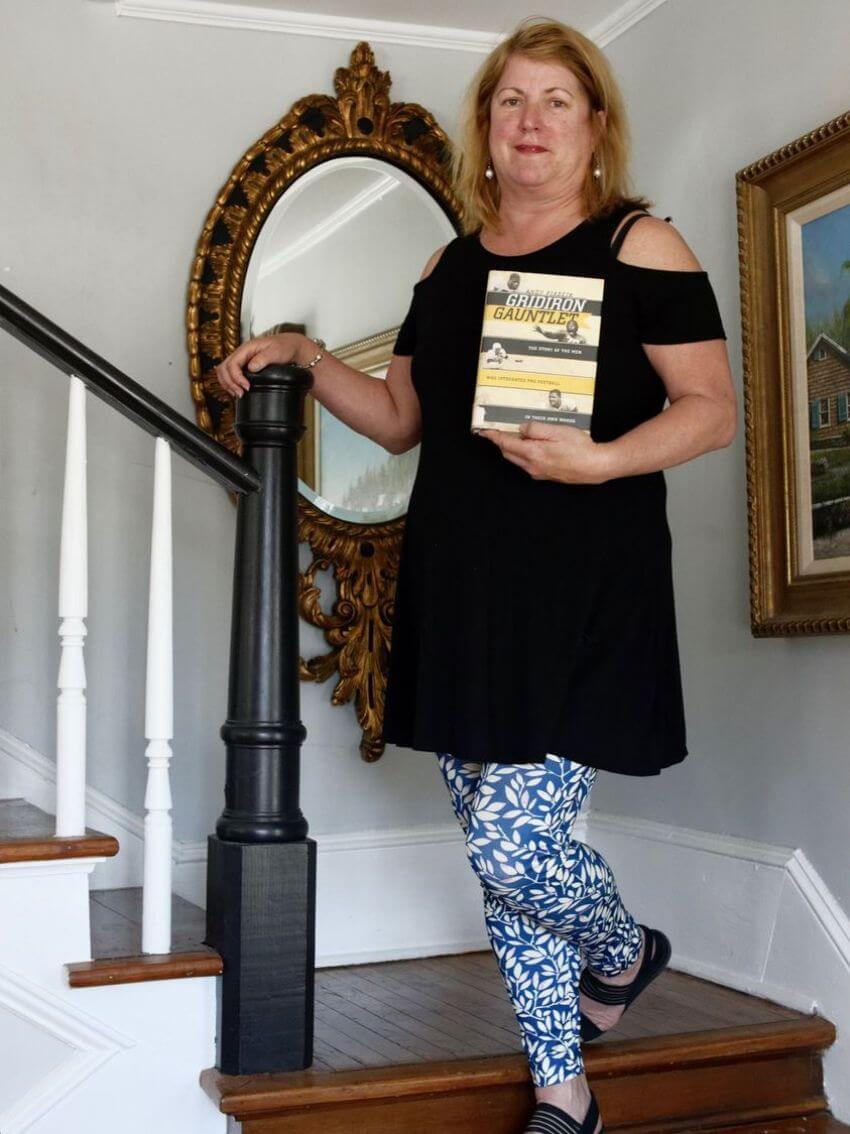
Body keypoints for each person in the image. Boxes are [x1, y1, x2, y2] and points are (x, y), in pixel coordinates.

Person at [215, 16, 736, 1134]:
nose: (530, 119)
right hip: (459, 582)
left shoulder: (639, 245)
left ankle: (622, 946)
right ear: (486, 133)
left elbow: (711, 412)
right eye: (510, 100)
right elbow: (401, 420)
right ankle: (563, 1087)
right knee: (496, 849)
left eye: (556, 99)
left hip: (584, 583)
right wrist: (308, 357)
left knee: (514, 840)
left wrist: (597, 456)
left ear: (595, 127)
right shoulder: (446, 265)